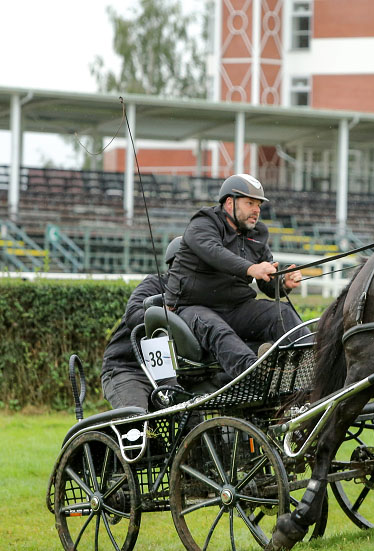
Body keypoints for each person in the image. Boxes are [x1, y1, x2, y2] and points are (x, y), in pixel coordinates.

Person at [163, 173, 306, 379]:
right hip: (193, 307)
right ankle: (256, 376)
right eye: (250, 203)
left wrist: (283, 282)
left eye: (259, 205)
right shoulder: (203, 224)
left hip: (237, 308)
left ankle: (308, 370)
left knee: (281, 312)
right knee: (217, 329)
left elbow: (267, 284)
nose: (256, 210)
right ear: (230, 203)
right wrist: (251, 268)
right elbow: (215, 253)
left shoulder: (258, 234)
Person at [101, 237, 182, 411]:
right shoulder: (154, 284)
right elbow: (133, 315)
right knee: (136, 418)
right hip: (126, 369)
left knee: (190, 413)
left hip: (165, 373)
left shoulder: (198, 295)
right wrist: (164, 312)